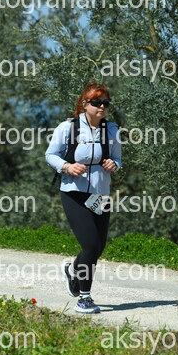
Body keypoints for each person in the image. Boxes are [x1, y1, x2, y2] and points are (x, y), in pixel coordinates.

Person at [45, 82, 121, 313]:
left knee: (98, 248)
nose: (102, 107)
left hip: (101, 193)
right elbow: (50, 155)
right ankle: (84, 298)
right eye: (97, 103)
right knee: (90, 245)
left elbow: (118, 159)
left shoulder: (112, 130)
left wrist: (114, 164)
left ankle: (73, 271)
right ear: (85, 104)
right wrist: (67, 167)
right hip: (74, 192)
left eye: (106, 103)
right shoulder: (67, 127)